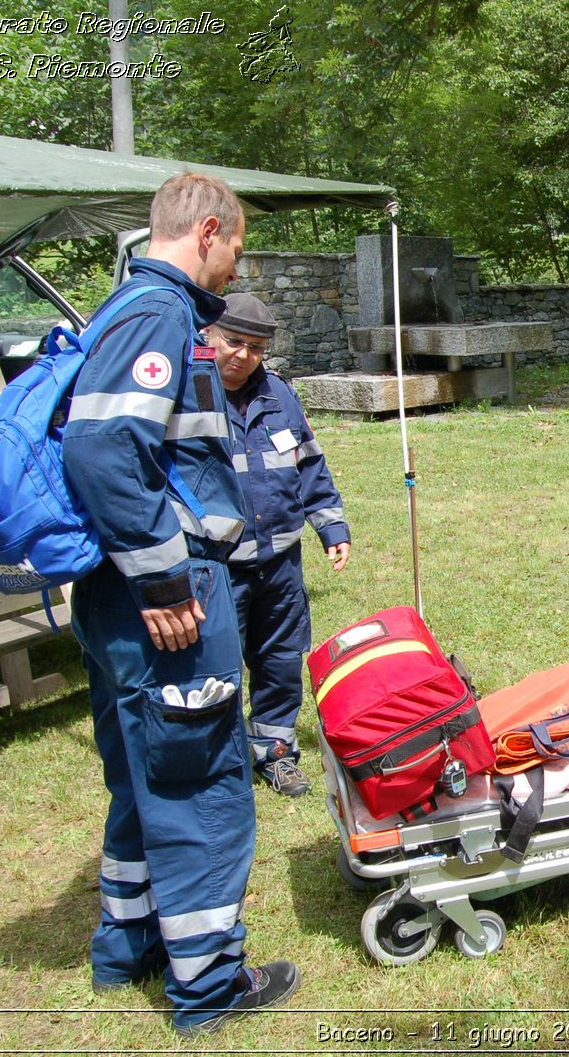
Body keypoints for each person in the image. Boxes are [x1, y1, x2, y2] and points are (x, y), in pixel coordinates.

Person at [63, 173, 299, 1035]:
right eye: (237, 246)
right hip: (166, 600)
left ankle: (131, 942)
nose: (238, 264)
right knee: (198, 779)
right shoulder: (161, 314)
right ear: (208, 231)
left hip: (118, 596)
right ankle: (208, 982)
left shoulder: (126, 308)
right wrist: (164, 580)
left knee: (140, 771)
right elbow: (99, 451)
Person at [207, 293, 352, 797]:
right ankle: (221, 766)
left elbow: (310, 465)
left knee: (282, 661)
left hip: (281, 563)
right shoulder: (188, 396)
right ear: (210, 334)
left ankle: (274, 752)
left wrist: (331, 527)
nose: (243, 355)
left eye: (255, 347)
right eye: (233, 342)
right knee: (216, 669)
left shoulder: (278, 395)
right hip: (217, 567)